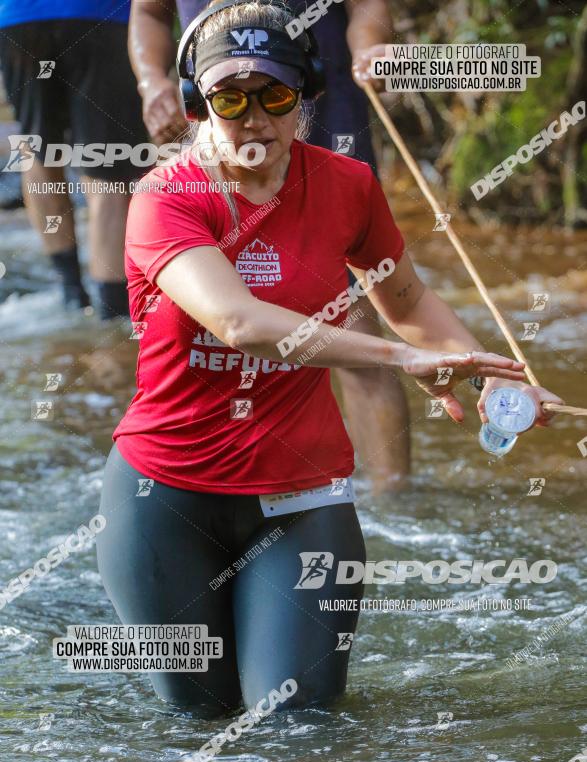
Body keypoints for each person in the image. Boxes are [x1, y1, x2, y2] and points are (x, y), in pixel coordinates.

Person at [96, 0, 563, 717]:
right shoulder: (166, 198)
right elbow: (237, 321)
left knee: (300, 727)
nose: (253, 117)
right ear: (197, 104)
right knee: (199, 730)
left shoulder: (347, 186)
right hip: (165, 499)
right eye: (228, 97)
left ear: (307, 96)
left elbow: (409, 306)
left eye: (274, 95)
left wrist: (494, 374)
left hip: (303, 498)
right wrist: (399, 358)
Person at [128, 0, 411, 491]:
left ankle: (395, 501)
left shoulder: (347, 176)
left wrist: (368, 42)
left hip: (314, 93)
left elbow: (366, 5)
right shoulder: (167, 188)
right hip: (217, 94)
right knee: (203, 323)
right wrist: (152, 80)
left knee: (356, 311)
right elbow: (150, 12)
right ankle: (220, 475)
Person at [0, 0, 148, 318]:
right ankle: (111, 310)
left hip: (17, 16)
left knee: (37, 148)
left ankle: (71, 295)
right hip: (99, 15)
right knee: (106, 160)